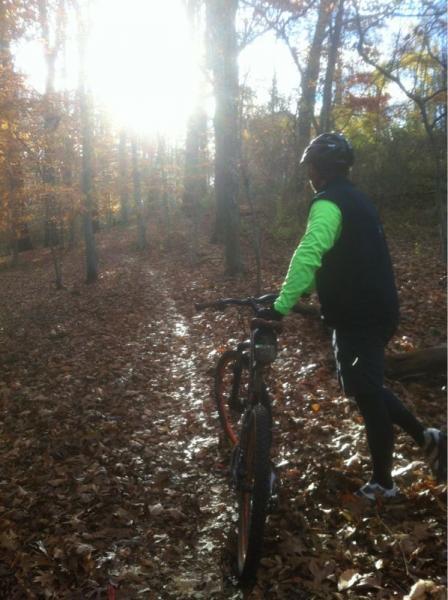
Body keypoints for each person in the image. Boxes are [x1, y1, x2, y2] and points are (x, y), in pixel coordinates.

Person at [259, 132, 447, 500]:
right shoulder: (358, 200)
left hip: (359, 316)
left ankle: (384, 483)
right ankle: (430, 440)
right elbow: (341, 258)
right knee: (368, 388)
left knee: (368, 393)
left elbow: (310, 253)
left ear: (320, 169)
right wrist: (301, 294)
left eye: (310, 167)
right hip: (376, 310)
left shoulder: (328, 203)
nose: (308, 174)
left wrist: (281, 306)